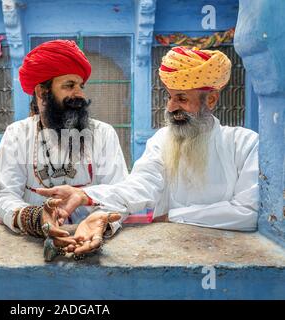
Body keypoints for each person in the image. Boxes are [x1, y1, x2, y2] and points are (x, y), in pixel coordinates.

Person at [38, 46, 259, 254]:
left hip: (229, 253)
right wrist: (86, 195)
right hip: (172, 252)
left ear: (210, 100)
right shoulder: (162, 140)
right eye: (170, 97)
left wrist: (173, 216)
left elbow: (248, 214)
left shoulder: (245, 144)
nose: (171, 107)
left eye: (181, 98)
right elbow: (140, 187)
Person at [0, 40, 128, 259]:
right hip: (33, 247)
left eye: (80, 86)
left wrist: (97, 224)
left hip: (93, 243)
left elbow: (120, 194)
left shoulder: (103, 133)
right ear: (41, 92)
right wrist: (36, 218)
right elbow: (4, 195)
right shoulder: (17, 134)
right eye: (69, 86)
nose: (79, 95)